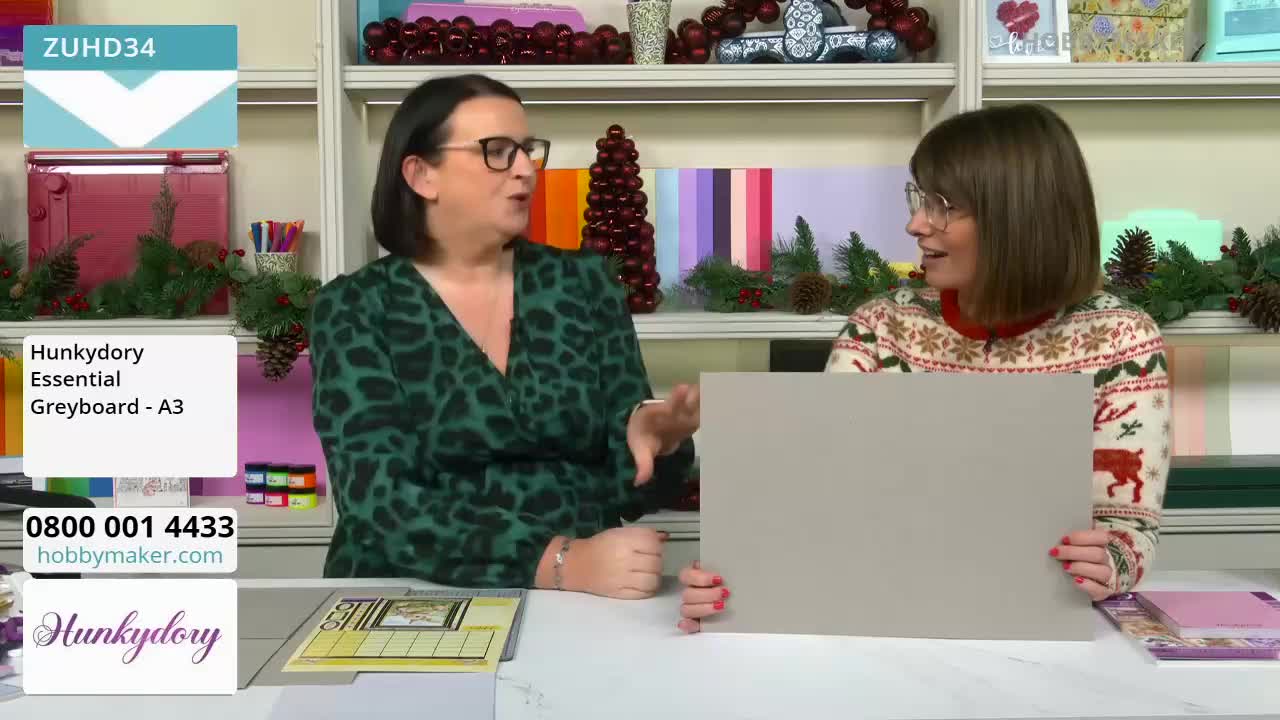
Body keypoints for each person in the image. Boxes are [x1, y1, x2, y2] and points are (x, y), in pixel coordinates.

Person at [677, 103, 1170, 633]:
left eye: (943, 206)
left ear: (1020, 218)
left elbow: (1126, 530)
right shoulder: (881, 328)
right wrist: (741, 578)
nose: (915, 224)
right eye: (919, 200)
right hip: (878, 622)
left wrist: (1110, 564)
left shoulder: (1124, 340)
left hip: (1037, 633)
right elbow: (819, 505)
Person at [309, 74, 699, 598]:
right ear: (422, 174)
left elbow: (621, 493)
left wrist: (659, 443)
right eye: (497, 151)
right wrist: (557, 561)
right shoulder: (354, 307)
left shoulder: (583, 284)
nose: (525, 170)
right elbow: (380, 501)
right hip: (406, 594)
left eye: (528, 150)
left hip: (576, 599)